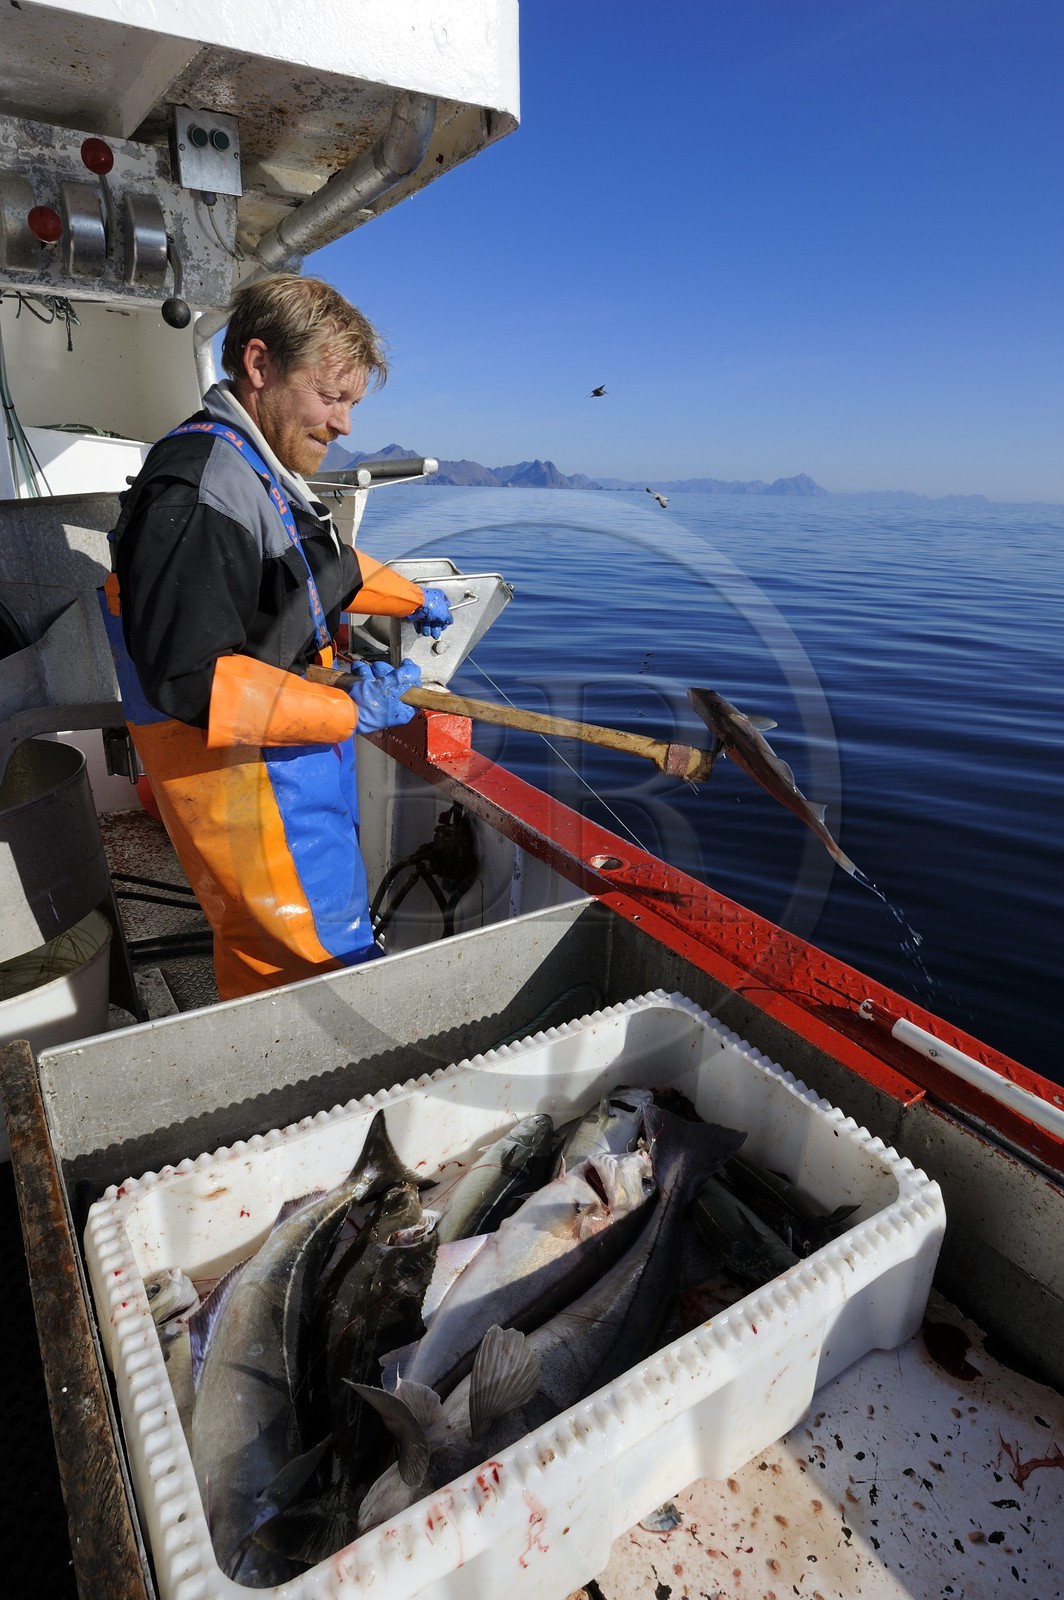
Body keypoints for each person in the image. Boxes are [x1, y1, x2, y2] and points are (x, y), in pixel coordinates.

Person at [103, 273, 454, 999]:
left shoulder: (252, 464)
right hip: (248, 783)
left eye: (353, 404)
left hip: (288, 762)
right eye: (330, 396)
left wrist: (414, 597)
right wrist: (346, 708)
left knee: (288, 957)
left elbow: (321, 570)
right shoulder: (200, 492)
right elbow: (189, 678)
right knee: (310, 974)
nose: (345, 425)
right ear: (259, 365)